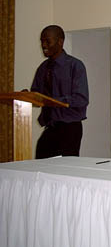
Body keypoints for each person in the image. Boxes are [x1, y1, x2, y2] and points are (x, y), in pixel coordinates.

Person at [29, 25, 89, 158]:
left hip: (70, 128)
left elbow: (81, 99)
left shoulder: (75, 66)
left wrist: (54, 101)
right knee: (41, 166)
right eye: (41, 41)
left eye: (47, 41)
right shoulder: (43, 68)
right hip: (50, 127)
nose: (43, 45)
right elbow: (37, 97)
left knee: (65, 172)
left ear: (60, 42)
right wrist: (28, 96)